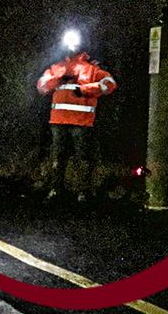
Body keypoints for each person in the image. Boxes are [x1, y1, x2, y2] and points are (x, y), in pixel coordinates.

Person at [37, 45, 117, 202]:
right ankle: (56, 190)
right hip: (59, 121)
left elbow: (109, 84)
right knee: (59, 157)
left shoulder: (92, 69)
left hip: (81, 122)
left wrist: (86, 89)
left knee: (83, 158)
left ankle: (83, 192)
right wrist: (58, 79)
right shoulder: (56, 68)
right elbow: (41, 86)